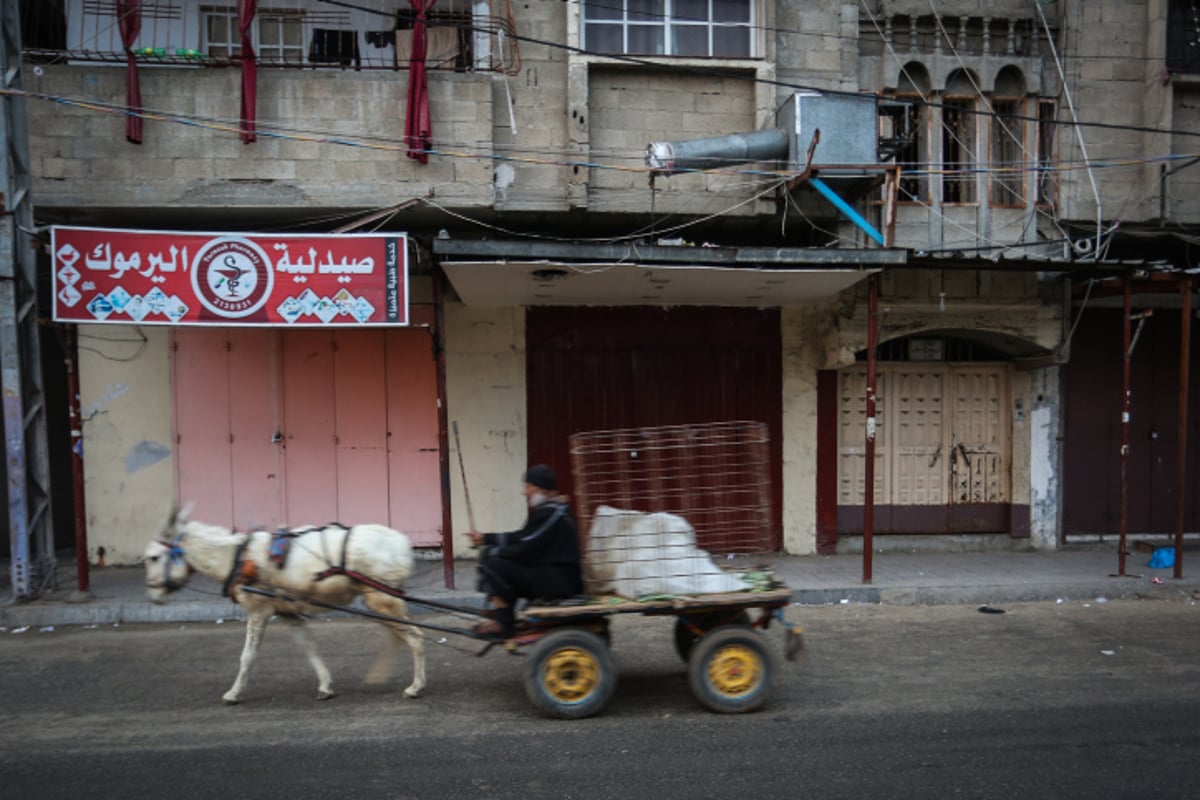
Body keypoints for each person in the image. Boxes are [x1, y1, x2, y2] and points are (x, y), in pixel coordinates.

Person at [467, 464, 583, 638]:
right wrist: (486, 539)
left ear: (541, 489)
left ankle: (504, 622)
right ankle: (503, 611)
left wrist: (494, 552)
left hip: (559, 582)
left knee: (492, 564)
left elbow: (525, 547)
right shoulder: (550, 511)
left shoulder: (552, 513)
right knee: (492, 557)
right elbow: (522, 536)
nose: (524, 492)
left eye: (528, 487)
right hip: (553, 575)